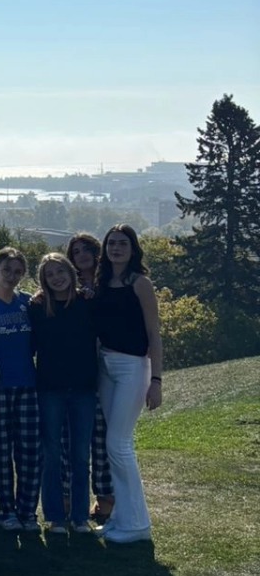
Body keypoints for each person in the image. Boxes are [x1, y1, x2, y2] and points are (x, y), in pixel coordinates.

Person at [94, 224, 162, 544]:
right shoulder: (103, 283)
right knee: (116, 446)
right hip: (105, 366)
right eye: (111, 243)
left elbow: (154, 334)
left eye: (123, 243)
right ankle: (122, 518)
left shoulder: (141, 284)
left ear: (133, 249)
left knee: (118, 445)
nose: (116, 248)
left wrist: (157, 381)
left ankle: (137, 526)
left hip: (133, 366)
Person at [29, 253, 98, 533]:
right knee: (52, 453)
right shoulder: (38, 306)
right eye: (50, 274)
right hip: (50, 389)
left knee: (81, 455)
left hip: (83, 388)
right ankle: (56, 517)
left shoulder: (86, 303)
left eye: (60, 271)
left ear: (71, 272)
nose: (56, 278)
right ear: (43, 280)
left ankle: (80, 517)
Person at [0, 248, 41, 532]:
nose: (12, 276)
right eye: (7, 270)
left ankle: (28, 511)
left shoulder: (29, 304)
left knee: (30, 451)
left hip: (28, 385)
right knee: (1, 452)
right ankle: (7, 510)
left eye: (18, 272)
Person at [67, 232, 114, 523]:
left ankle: (106, 499)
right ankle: (74, 499)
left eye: (87, 249)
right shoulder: (65, 285)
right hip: (76, 370)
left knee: (102, 436)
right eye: (75, 251)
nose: (81, 255)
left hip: (107, 366)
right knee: (74, 438)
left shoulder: (109, 285)